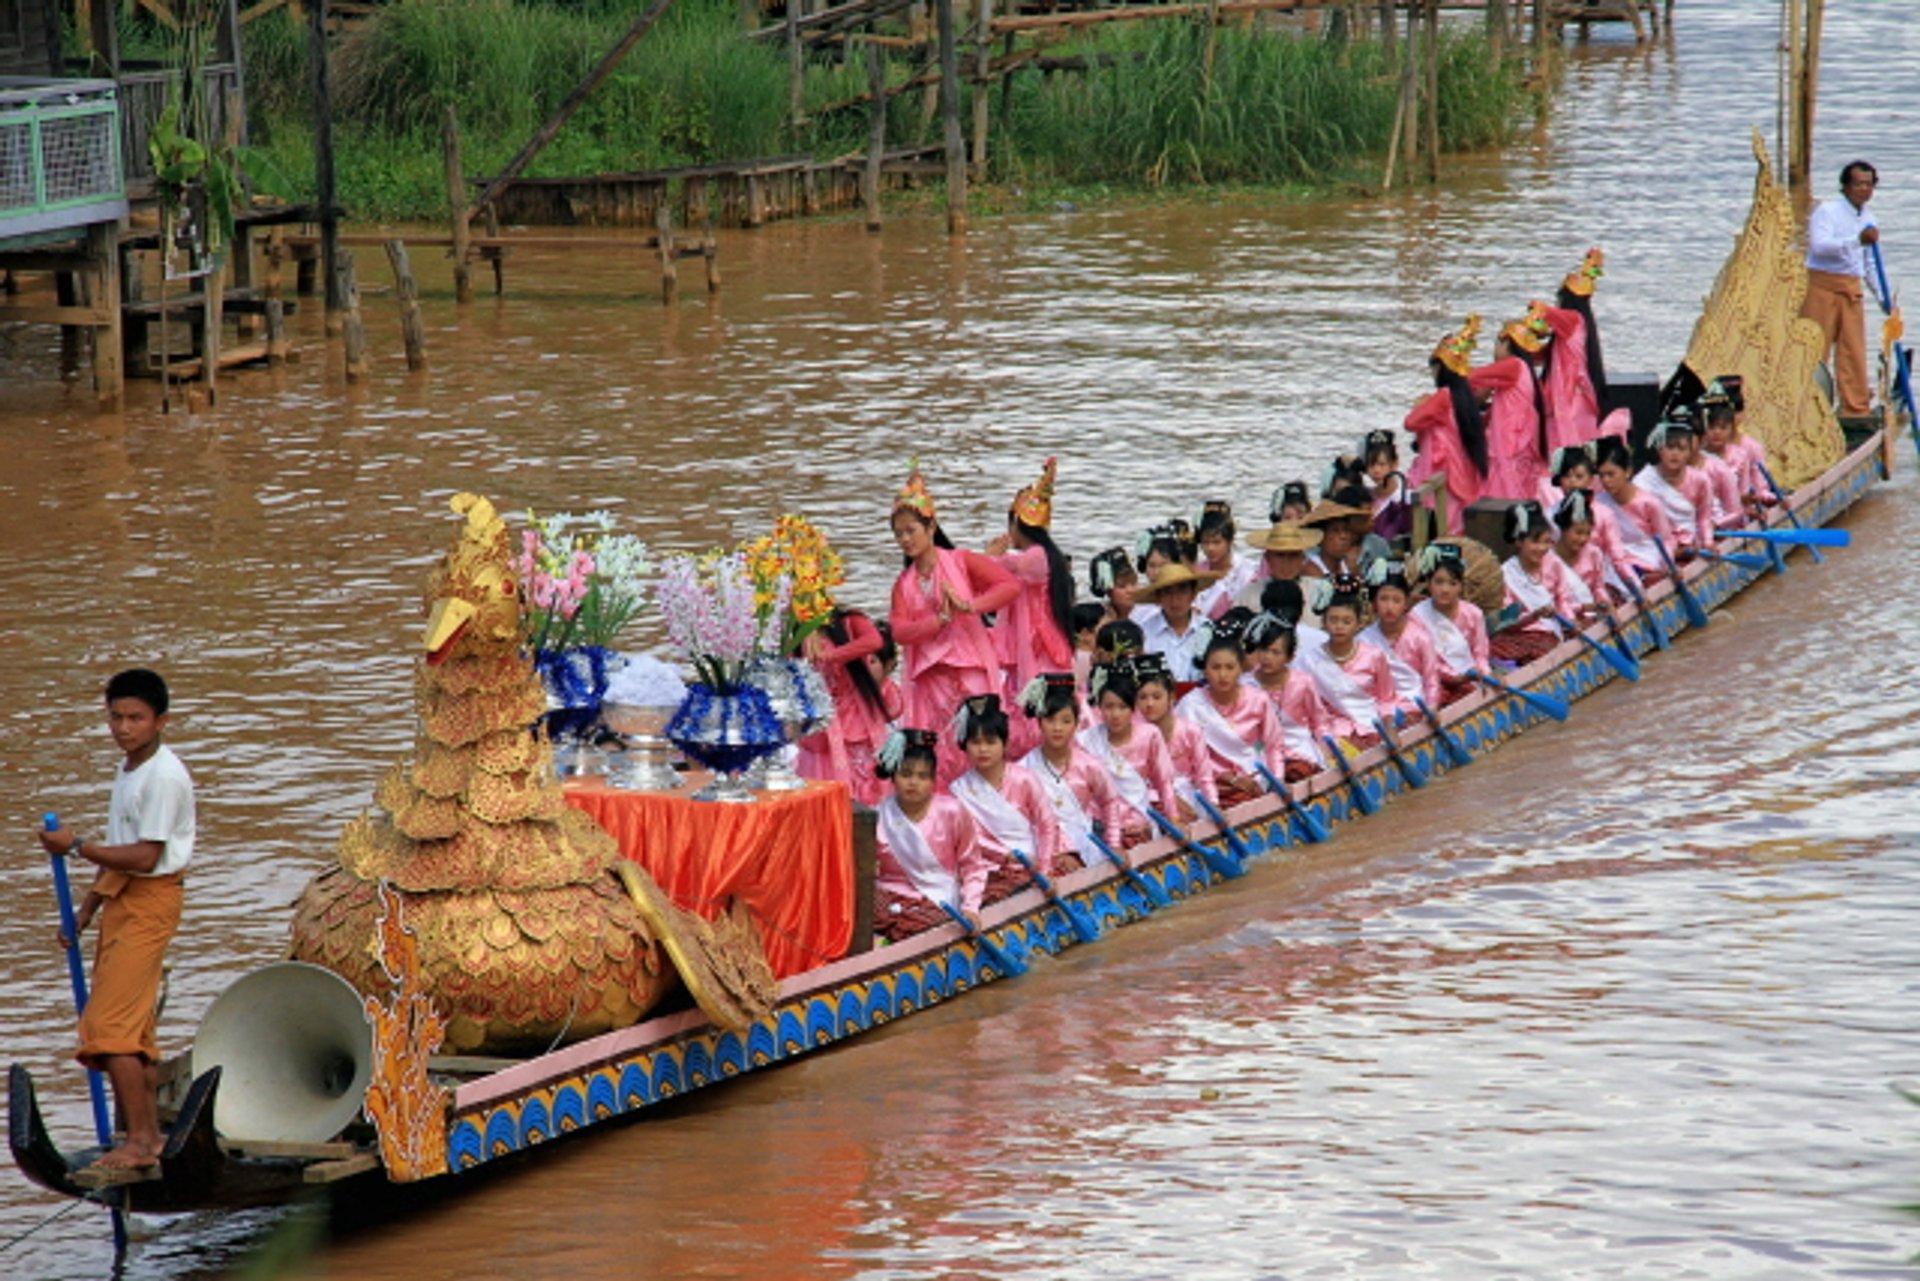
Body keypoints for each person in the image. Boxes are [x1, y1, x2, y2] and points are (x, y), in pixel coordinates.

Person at [36, 668, 195, 1172]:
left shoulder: (164, 776)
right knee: (133, 1030)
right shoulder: (129, 770)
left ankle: (143, 1144)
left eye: (136, 718)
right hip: (124, 900)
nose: (124, 727)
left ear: (160, 721)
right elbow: (118, 853)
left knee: (110, 1027)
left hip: (150, 901)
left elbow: (145, 857)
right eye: (116, 717)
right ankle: (141, 1134)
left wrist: (76, 846)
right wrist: (84, 913)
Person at [887, 465, 1021, 787]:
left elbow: (1008, 586)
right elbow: (899, 632)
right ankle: (947, 808)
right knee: (942, 747)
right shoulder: (903, 584)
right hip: (933, 678)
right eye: (899, 534)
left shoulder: (961, 560)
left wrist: (969, 607)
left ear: (931, 527)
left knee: (980, 739)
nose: (905, 539)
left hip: (970, 666)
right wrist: (938, 622)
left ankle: (991, 804)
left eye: (911, 530)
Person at [872, 728, 991, 941]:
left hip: (936, 900)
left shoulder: (952, 811)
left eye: (922, 776)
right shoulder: (878, 815)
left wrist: (970, 907)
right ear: (893, 775)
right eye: (906, 774)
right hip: (890, 901)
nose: (913, 783)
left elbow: (972, 865)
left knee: (928, 926)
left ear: (933, 779)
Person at [948, 694, 1066, 904]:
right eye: (975, 742)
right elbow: (971, 841)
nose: (983, 749)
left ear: (1004, 743)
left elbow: (1047, 824)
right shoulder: (959, 791)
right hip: (992, 869)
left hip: (1038, 860)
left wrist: (1045, 868)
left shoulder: (1024, 778)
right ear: (964, 745)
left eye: (990, 741)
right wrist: (1007, 856)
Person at [986, 458, 1076, 731]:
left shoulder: (1037, 557)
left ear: (1016, 525)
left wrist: (989, 558)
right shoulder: (1043, 556)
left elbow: (1001, 567)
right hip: (1031, 638)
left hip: (1039, 641)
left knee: (1038, 702)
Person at [1801, 160, 1880, 420]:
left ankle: (1854, 410)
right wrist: (1855, 240)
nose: (1863, 189)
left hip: (1851, 288)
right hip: (1822, 285)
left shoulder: (1869, 218)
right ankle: (1808, 407)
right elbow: (1819, 247)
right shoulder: (1827, 211)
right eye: (1858, 184)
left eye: (1868, 184)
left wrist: (1883, 298)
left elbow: (1869, 263)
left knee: (1853, 352)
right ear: (1845, 186)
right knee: (1814, 350)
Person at [1018, 672, 1122, 864]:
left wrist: (1114, 844)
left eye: (1065, 721)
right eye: (1050, 720)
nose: (1057, 728)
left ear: (1076, 724)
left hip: (1086, 851)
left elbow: (1109, 802)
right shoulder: (1023, 770)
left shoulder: (1090, 765)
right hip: (1042, 854)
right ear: (1039, 722)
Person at [1175, 633, 1287, 806]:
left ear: (1241, 668)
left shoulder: (1258, 699)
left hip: (1252, 774)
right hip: (1208, 781)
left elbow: (1274, 745)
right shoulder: (1190, 705)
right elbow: (1187, 757)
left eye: (1229, 667)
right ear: (1205, 669)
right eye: (1215, 667)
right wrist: (1228, 779)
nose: (1223, 674)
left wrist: (1278, 779)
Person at [1080, 659, 1181, 845]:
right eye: (1109, 707)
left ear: (1133, 707)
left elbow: (1164, 782)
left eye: (1122, 707)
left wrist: (1174, 819)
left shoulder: (1150, 735)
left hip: (1140, 821)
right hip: (1102, 826)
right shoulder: (1085, 741)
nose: (1115, 715)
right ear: (1099, 707)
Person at [797, 607, 892, 807]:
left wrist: (832, 655)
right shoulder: (793, 632)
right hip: (822, 728)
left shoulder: (848, 621)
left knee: (871, 787)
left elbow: (874, 641)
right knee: (826, 801)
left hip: (858, 718)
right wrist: (805, 631)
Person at [1406, 314, 1491, 536]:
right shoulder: (1465, 398)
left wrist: (1420, 405)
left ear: (1441, 368)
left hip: (1446, 475)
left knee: (1445, 527)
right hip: (1462, 471)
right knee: (1456, 527)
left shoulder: (1443, 397)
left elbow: (1410, 423)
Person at [1293, 577, 1397, 749]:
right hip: (1332, 736)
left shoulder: (1374, 656)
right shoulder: (1309, 661)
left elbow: (1387, 699)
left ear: (1358, 623)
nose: (1339, 627)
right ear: (1324, 623)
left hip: (1371, 729)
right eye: (1333, 620)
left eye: (1346, 621)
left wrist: (1389, 729)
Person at [1471, 307, 1554, 502]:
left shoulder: (1514, 365)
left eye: (1497, 344)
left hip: (1510, 447)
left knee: (1505, 494)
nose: (1495, 350)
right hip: (1513, 446)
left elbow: (1473, 376)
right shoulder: (1521, 371)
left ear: (1507, 344)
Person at [1493, 500, 1583, 665]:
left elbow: (1563, 599)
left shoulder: (1553, 564)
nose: (1542, 548)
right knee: (1494, 649)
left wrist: (1570, 621)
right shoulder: (1505, 573)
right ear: (1519, 542)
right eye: (1535, 542)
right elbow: (1506, 619)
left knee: (1541, 652)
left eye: (1547, 542)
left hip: (1546, 631)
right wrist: (1534, 616)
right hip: (1516, 633)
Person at [1241, 612, 1328, 780]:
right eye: (1264, 650)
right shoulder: (1245, 685)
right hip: (1260, 751)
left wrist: (1327, 750)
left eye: (1276, 652)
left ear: (1290, 657)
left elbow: (1319, 722)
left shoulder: (1303, 682)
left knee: (1297, 774)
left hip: (1298, 749)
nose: (1267, 657)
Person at [1133, 653, 1211, 817]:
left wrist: (1213, 804)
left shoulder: (1190, 731)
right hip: (1150, 804)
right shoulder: (1134, 737)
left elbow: (1204, 777)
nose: (1149, 704)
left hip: (1191, 800)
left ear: (1172, 697)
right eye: (1142, 697)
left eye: (1157, 696)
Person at [1410, 544, 1490, 703]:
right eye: (1438, 582)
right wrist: (1454, 677)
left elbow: (1480, 654)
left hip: (1470, 677)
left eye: (1452, 583)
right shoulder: (1416, 616)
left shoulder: (1474, 614)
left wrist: (1483, 673)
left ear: (1461, 586)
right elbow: (1423, 661)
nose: (1445, 589)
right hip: (1434, 681)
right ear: (1428, 583)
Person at [1359, 561, 1442, 710]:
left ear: (1406, 603)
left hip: (1416, 706)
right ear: (1374, 603)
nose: (1389, 607)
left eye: (1396, 600)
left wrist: (1432, 707)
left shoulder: (1420, 638)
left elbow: (1431, 679)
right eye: (1383, 599)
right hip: (1378, 708)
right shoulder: (1363, 640)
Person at [1593, 434, 1677, 578]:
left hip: (1647, 559)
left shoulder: (1649, 503)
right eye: (1602, 476)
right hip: (1614, 562)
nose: (1606, 481)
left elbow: (1667, 540)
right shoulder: (1598, 503)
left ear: (1627, 471)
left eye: (1611, 474)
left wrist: (1666, 565)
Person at [1633, 414, 1714, 552]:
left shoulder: (1701, 479)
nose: (1675, 454)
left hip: (1692, 546)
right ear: (1659, 449)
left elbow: (1704, 517)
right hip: (1656, 549)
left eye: (1681, 449)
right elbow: (1640, 526)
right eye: (1670, 448)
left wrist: (1708, 543)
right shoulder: (1642, 482)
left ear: (1690, 452)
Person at [1133, 561, 1220, 687]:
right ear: (1159, 598)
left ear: (1193, 594)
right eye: (1167, 593)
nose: (1175, 599)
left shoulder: (1209, 630)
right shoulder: (1144, 633)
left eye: (1182, 591)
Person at [1235, 519, 1321, 616]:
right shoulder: (1246, 597)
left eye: (1293, 555)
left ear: (1302, 558)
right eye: (1280, 555)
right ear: (1267, 558)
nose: (1286, 563)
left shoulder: (1319, 594)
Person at [1193, 501, 1259, 620]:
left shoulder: (1247, 571)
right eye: (1205, 542)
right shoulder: (1196, 573)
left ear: (1230, 541)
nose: (1210, 548)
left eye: (1217, 542)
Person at [1361, 430, 1413, 546]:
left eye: (1381, 464)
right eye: (1371, 464)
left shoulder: (1404, 498)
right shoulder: (1366, 495)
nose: (1376, 470)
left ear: (1394, 464)